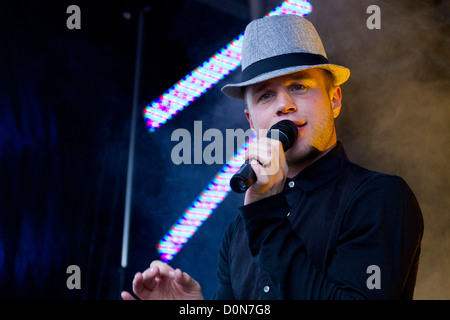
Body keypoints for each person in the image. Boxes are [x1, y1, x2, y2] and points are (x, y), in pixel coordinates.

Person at [121, 14, 423, 300]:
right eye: (266, 95)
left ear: (334, 99)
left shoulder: (379, 197)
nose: (285, 105)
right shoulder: (239, 230)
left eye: (299, 86)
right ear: (252, 121)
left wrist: (266, 220)